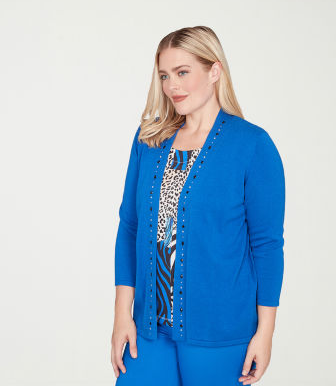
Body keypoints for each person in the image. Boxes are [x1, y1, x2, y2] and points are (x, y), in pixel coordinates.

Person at [111, 25, 286, 386]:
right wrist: (122, 315)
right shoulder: (149, 140)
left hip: (220, 333)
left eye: (182, 72)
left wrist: (265, 332)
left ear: (214, 71)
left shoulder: (252, 145)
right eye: (164, 75)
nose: (172, 86)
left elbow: (267, 245)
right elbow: (129, 227)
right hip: (149, 329)